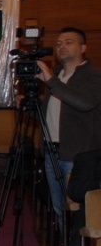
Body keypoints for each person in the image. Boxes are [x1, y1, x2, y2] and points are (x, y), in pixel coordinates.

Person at [36, 27, 101, 233]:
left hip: (77, 155)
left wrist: (51, 82)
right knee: (59, 208)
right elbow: (53, 114)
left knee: (78, 212)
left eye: (68, 42)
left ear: (83, 48)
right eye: (58, 43)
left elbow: (85, 103)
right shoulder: (56, 76)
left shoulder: (93, 75)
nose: (61, 46)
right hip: (52, 152)